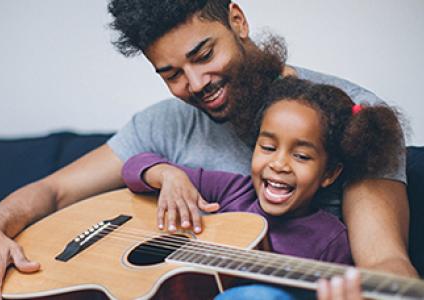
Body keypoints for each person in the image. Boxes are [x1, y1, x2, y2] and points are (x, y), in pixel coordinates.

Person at [0, 1, 417, 299]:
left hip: (258, 289)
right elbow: (55, 191)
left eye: (204, 54)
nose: (195, 84)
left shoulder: (344, 116)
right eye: (171, 72)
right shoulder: (165, 122)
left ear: (237, 20)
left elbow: (386, 262)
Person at [121, 77, 405, 297]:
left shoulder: (331, 241)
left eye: (301, 156)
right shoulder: (233, 190)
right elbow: (133, 167)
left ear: (329, 174)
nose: (279, 164)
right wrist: (168, 175)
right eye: (268, 147)